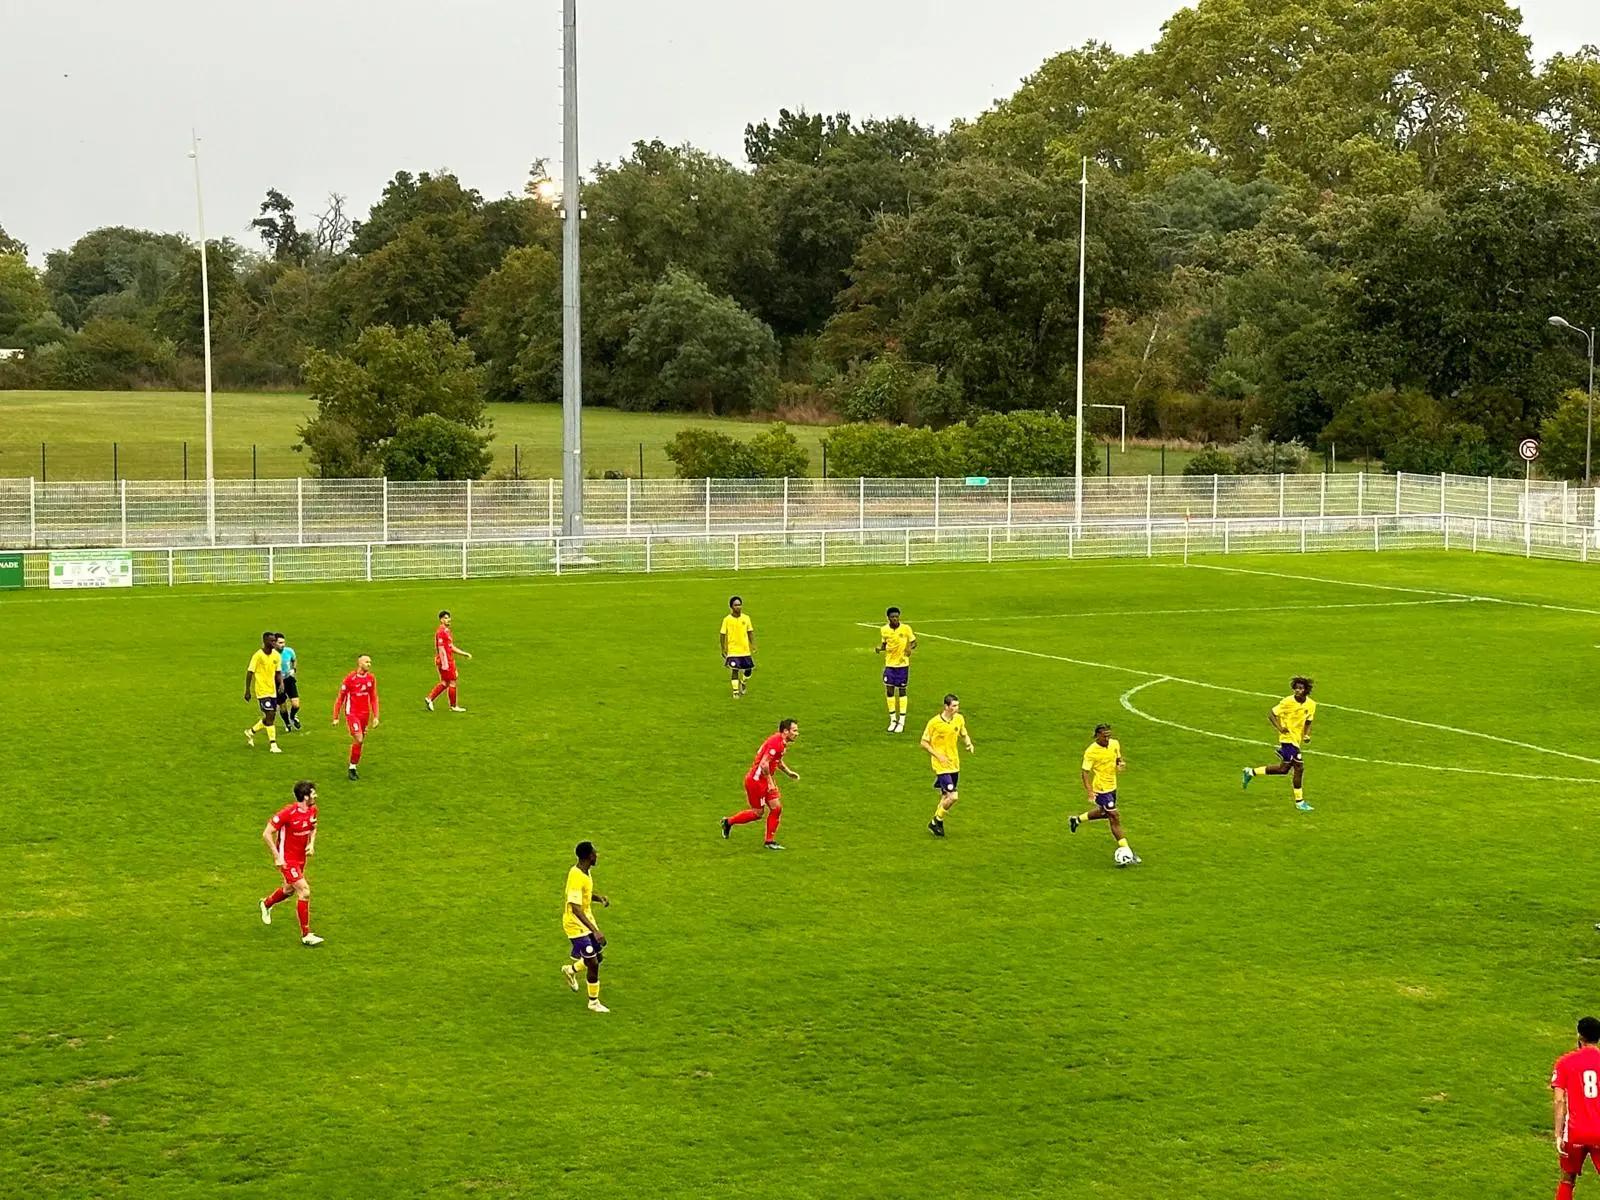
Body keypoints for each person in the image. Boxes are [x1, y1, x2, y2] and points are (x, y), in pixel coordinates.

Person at [259, 780, 323, 946]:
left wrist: (311, 843)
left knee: (288, 890)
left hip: (301, 858)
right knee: (305, 891)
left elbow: (313, 827)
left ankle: (266, 904)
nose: (316, 795)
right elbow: (267, 833)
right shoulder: (288, 812)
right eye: (313, 793)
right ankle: (306, 935)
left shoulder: (312, 810)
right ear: (305, 796)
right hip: (287, 859)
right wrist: (277, 856)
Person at [722, 718, 799, 850]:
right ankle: (728, 822)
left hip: (764, 779)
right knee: (758, 813)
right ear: (786, 731)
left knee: (776, 808)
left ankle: (769, 841)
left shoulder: (780, 741)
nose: (797, 733)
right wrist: (769, 782)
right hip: (756, 781)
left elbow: (776, 761)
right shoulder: (777, 743)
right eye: (794, 730)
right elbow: (764, 764)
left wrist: (788, 772)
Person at [1242, 676, 1317, 811]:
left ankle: (1251, 772)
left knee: (1284, 769)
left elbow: (1308, 721)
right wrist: (1279, 727)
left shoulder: (1311, 704)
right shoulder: (1287, 702)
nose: (1297, 691)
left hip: (1296, 740)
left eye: (1301, 688)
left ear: (1306, 690)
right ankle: (1300, 802)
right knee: (1299, 767)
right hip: (1287, 739)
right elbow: (1271, 713)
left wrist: (1306, 734)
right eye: (1296, 688)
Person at [1071, 724, 1139, 863]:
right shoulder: (1091, 752)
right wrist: (1089, 791)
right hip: (1101, 789)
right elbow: (1085, 772)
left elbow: (1117, 758)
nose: (1107, 738)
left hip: (1112, 785)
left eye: (1109, 735)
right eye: (1104, 736)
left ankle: (1076, 820)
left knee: (1104, 813)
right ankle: (1127, 852)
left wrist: (1120, 763)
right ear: (1097, 736)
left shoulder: (1114, 744)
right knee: (1114, 816)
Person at [1550, 1016, 1600, 1199]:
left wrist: (1557, 1134)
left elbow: (1559, 1101)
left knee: (1567, 1179)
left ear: (1579, 1036)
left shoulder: (1565, 1062)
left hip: (1575, 1132)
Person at [561, 841, 611, 1014]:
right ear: (589, 856)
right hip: (575, 925)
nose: (597, 855)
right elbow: (575, 907)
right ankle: (593, 1002)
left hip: (586, 922)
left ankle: (570, 970)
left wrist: (599, 898)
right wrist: (595, 931)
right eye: (595, 852)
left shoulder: (585, 872)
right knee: (593, 963)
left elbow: (584, 895)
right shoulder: (576, 876)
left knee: (598, 958)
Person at [921, 694, 974, 838]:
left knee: (945, 796)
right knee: (953, 796)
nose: (957, 709)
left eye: (957, 705)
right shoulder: (934, 723)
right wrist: (938, 756)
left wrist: (968, 744)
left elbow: (963, 733)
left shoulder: (959, 719)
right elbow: (924, 742)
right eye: (954, 706)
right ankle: (936, 820)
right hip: (941, 765)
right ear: (946, 707)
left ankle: (937, 822)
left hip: (954, 764)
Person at [332, 655, 380, 781]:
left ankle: (352, 767)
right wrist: (336, 716)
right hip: (352, 713)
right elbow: (340, 698)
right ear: (360, 663)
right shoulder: (350, 679)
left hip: (365, 714)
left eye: (370, 662)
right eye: (366, 662)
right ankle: (352, 767)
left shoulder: (371, 678)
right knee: (359, 738)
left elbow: (373, 697)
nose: (369, 664)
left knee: (360, 741)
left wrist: (376, 716)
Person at [876, 607, 917, 733]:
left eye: (897, 616)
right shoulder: (884, 630)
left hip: (902, 665)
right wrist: (880, 648)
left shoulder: (906, 629)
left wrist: (910, 648)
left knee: (902, 690)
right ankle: (893, 719)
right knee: (889, 690)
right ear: (888, 618)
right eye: (893, 617)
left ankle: (901, 721)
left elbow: (914, 642)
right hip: (890, 664)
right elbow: (885, 644)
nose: (895, 619)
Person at [425, 610, 472, 713]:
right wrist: (445, 664)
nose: (448, 619)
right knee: (452, 682)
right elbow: (441, 648)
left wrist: (463, 653)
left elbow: (450, 647)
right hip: (445, 661)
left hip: (444, 660)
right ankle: (453, 706)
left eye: (449, 617)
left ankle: (429, 698)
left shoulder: (446, 631)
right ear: (441, 620)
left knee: (445, 682)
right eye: (446, 618)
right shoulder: (442, 632)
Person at [244, 631, 283, 754]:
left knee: (269, 717)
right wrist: (247, 690)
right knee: (270, 714)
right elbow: (250, 672)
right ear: (265, 641)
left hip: (272, 691)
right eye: (271, 641)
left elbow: (278, 672)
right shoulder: (258, 656)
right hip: (261, 690)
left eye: (274, 641)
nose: (274, 643)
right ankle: (273, 744)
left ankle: (251, 732)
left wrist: (281, 683)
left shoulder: (276, 656)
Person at [719, 596, 756, 699]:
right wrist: (723, 649)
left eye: (739, 605)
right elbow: (722, 635)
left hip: (745, 650)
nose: (738, 607)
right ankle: (735, 691)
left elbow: (750, 632)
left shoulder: (746, 618)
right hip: (733, 651)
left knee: (748, 670)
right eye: (736, 605)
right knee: (735, 670)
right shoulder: (727, 620)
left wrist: (752, 645)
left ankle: (743, 681)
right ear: (731, 607)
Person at [275, 633, 301, 732]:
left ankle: (293, 716)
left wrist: (293, 669)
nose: (283, 644)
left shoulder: (289, 651)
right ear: (275, 643)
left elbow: (294, 660)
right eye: (280, 643)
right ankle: (287, 723)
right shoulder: (272, 655)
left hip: (289, 679)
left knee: (296, 705)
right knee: (282, 706)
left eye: (283, 642)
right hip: (277, 682)